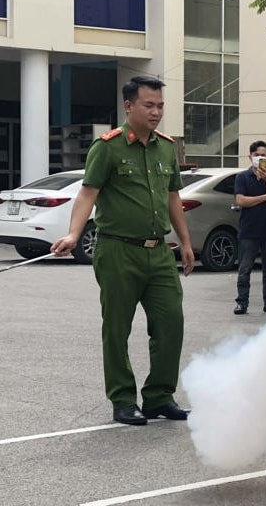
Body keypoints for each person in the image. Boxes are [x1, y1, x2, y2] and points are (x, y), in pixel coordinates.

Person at [50, 75, 194, 426]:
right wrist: (72, 234)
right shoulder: (108, 147)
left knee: (170, 322)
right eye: (149, 105)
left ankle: (160, 396)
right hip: (118, 250)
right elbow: (88, 193)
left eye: (160, 105)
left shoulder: (165, 147)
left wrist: (186, 242)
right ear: (129, 106)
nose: (156, 112)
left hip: (159, 251)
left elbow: (173, 197)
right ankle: (123, 399)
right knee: (117, 327)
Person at [234, 140, 266, 315]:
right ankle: (242, 302)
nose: (260, 158)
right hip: (249, 230)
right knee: (244, 269)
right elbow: (241, 201)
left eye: (263, 155)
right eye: (256, 155)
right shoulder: (242, 177)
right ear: (250, 156)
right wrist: (264, 197)